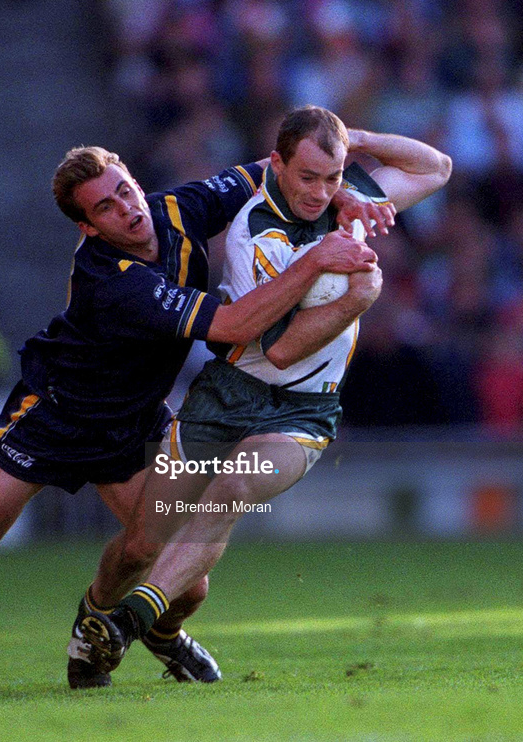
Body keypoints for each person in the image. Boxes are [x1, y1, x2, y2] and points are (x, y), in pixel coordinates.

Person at [0, 144, 383, 689]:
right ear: (88, 228)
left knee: (184, 581)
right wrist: (318, 259)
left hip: (133, 423)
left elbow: (290, 167)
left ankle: (139, 632)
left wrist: (352, 186)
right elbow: (234, 325)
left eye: (125, 190)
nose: (126, 208)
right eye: (107, 208)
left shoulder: (175, 209)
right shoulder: (109, 277)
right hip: (55, 419)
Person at [79, 106, 452, 677]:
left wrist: (359, 144)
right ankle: (99, 619)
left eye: (332, 178)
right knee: (143, 543)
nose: (320, 193)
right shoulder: (256, 231)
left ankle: (131, 623)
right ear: (276, 165)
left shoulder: (345, 195)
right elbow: (280, 348)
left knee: (233, 489)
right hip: (227, 396)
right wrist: (356, 298)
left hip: (303, 407)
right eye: (307, 177)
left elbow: (437, 167)